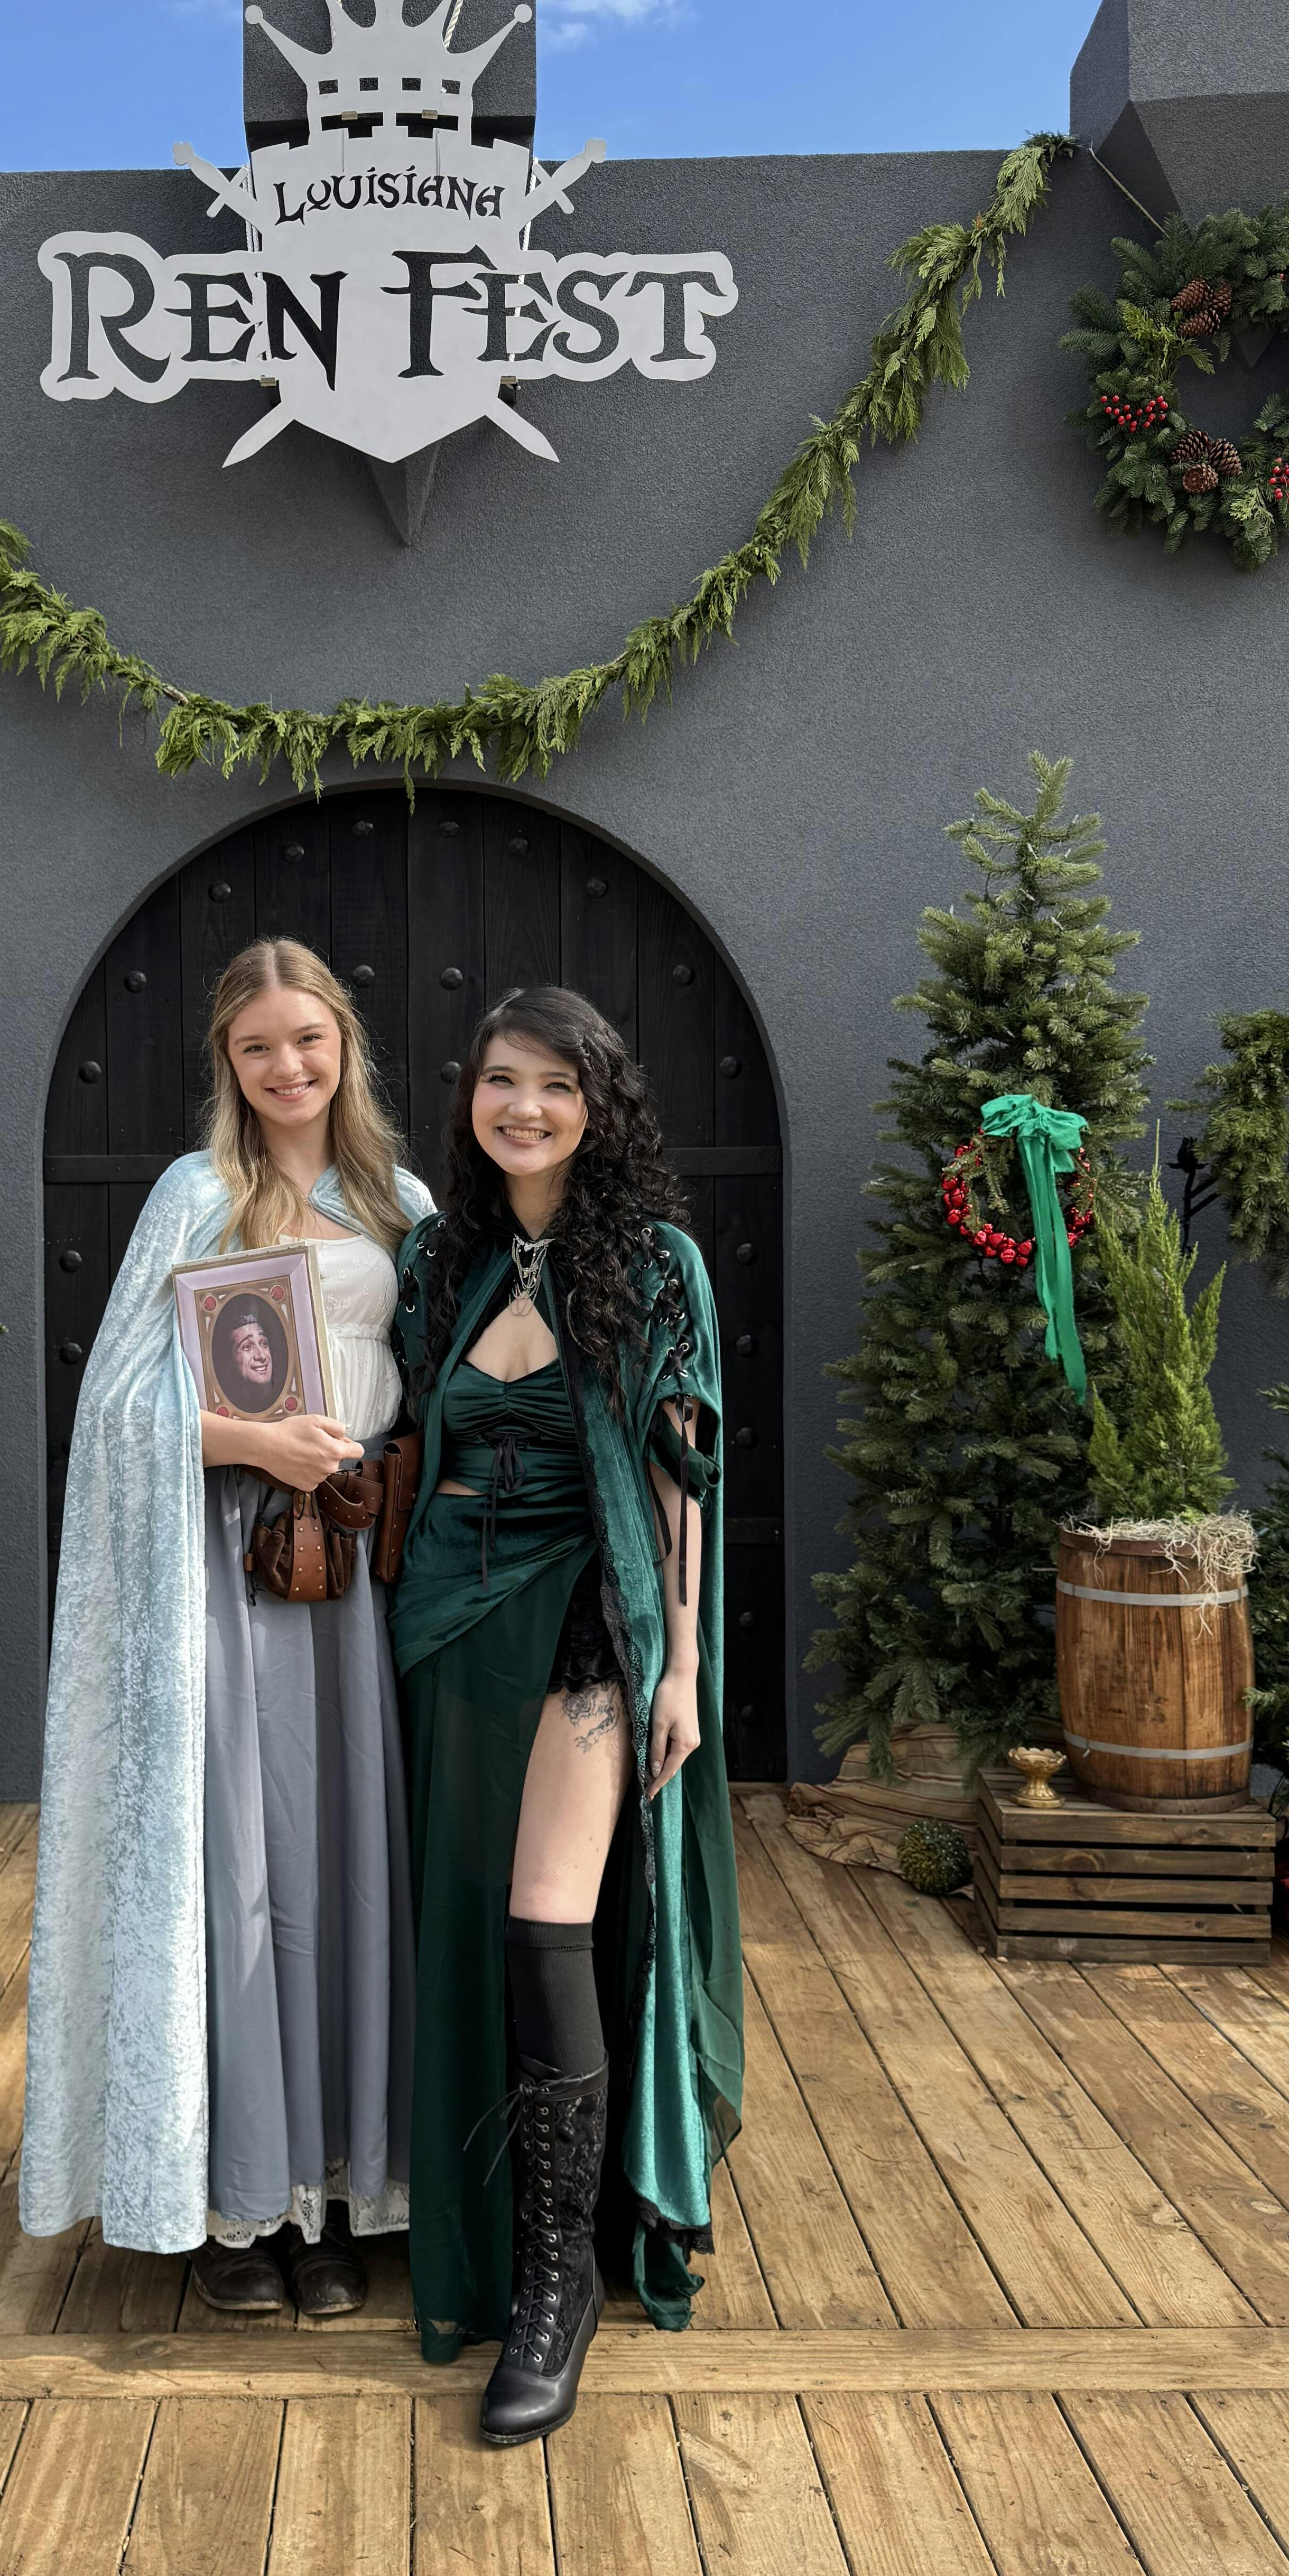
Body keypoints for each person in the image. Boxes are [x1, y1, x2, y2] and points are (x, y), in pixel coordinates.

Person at [22, 937, 433, 2314]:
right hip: (230, 1564)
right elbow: (116, 1413)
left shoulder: (404, 1201)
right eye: (258, 1048)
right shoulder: (195, 1196)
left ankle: (338, 2189)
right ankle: (238, 2201)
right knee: (245, 1867)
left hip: (365, 1563)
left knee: (350, 1862)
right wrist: (257, 1441)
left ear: (344, 1044)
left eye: (307, 1040)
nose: (286, 1066)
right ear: (229, 1063)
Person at [390, 987, 743, 2443]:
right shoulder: (438, 1257)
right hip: (445, 1624)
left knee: (548, 1925)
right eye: (500, 1081)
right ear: (469, 1098)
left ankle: (557, 2282)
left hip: (593, 1615)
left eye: (553, 1085)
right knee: (466, 1929)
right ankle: (474, 2227)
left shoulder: (656, 1263)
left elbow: (681, 1479)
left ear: (598, 1107)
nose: (523, 1107)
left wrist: (684, 1668)